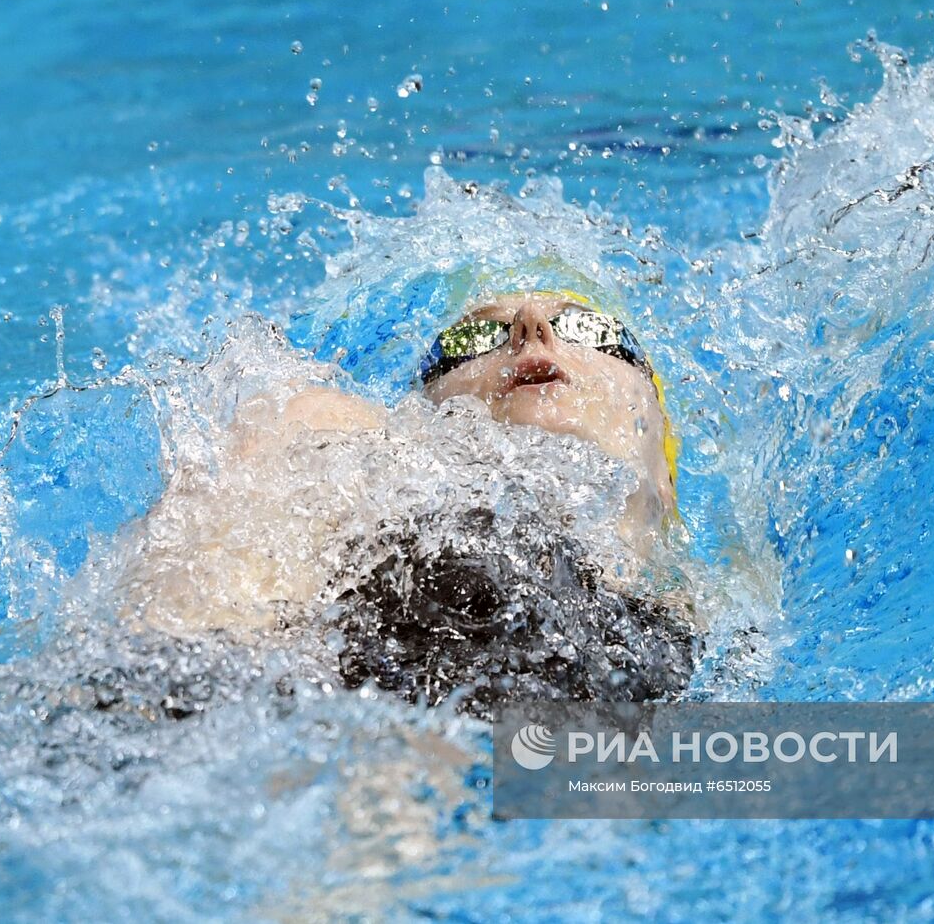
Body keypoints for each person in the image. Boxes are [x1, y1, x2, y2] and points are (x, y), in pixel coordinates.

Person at [123, 260, 701, 715]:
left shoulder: (713, 637)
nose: (532, 329)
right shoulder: (374, 480)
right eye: (474, 336)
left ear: (664, 470)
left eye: (588, 327)